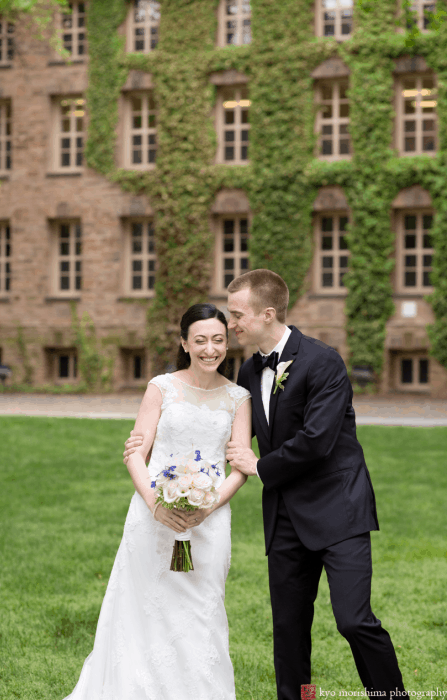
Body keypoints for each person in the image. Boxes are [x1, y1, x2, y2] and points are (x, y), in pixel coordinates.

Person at [224, 268, 407, 700]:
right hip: (285, 517)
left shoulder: (323, 361)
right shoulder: (249, 373)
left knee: (353, 620)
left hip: (338, 509)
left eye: (236, 315)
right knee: (288, 630)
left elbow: (317, 442)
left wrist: (260, 467)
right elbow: (229, 436)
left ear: (267, 314)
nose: (231, 324)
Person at [63, 303, 251, 700]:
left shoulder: (239, 398)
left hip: (209, 521)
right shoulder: (161, 387)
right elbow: (135, 452)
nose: (209, 349)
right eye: (199, 340)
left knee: (203, 609)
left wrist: (207, 506)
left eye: (218, 340)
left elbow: (238, 467)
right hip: (152, 515)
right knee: (146, 608)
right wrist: (156, 505)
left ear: (227, 342)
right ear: (184, 342)